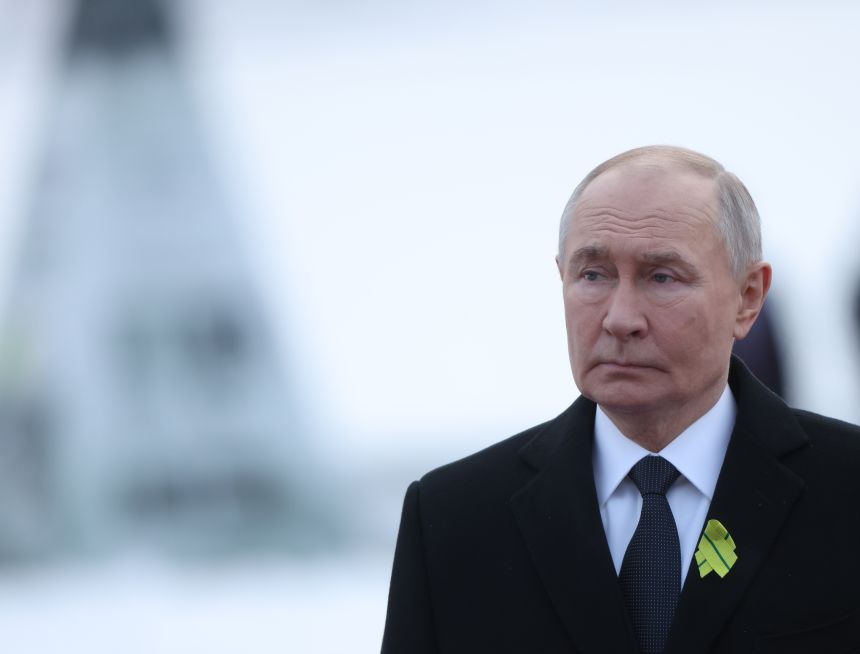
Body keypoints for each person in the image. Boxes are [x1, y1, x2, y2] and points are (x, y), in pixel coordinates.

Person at [380, 146, 860, 653]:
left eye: (662, 277)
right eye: (593, 275)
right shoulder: (452, 521)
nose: (620, 318)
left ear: (748, 298)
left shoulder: (847, 492)